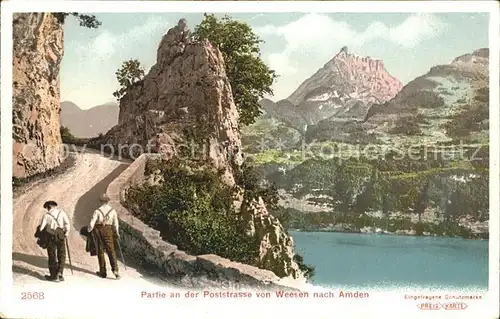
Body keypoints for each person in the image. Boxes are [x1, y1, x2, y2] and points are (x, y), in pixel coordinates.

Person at [88, 194, 120, 279]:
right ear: (108, 201)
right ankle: (115, 271)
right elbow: (115, 223)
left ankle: (103, 272)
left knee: (100, 251)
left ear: (101, 201)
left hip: (98, 231)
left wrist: (89, 230)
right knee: (111, 250)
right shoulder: (112, 211)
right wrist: (117, 232)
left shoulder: (97, 211)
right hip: (108, 230)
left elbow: (92, 223)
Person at [38, 201, 70, 282]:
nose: (47, 209)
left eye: (47, 208)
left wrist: (40, 234)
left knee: (52, 254)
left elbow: (41, 228)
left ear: (48, 207)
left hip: (50, 235)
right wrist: (66, 233)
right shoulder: (62, 212)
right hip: (60, 234)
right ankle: (60, 273)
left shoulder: (46, 215)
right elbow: (67, 224)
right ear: (55, 206)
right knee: (62, 254)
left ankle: (53, 275)